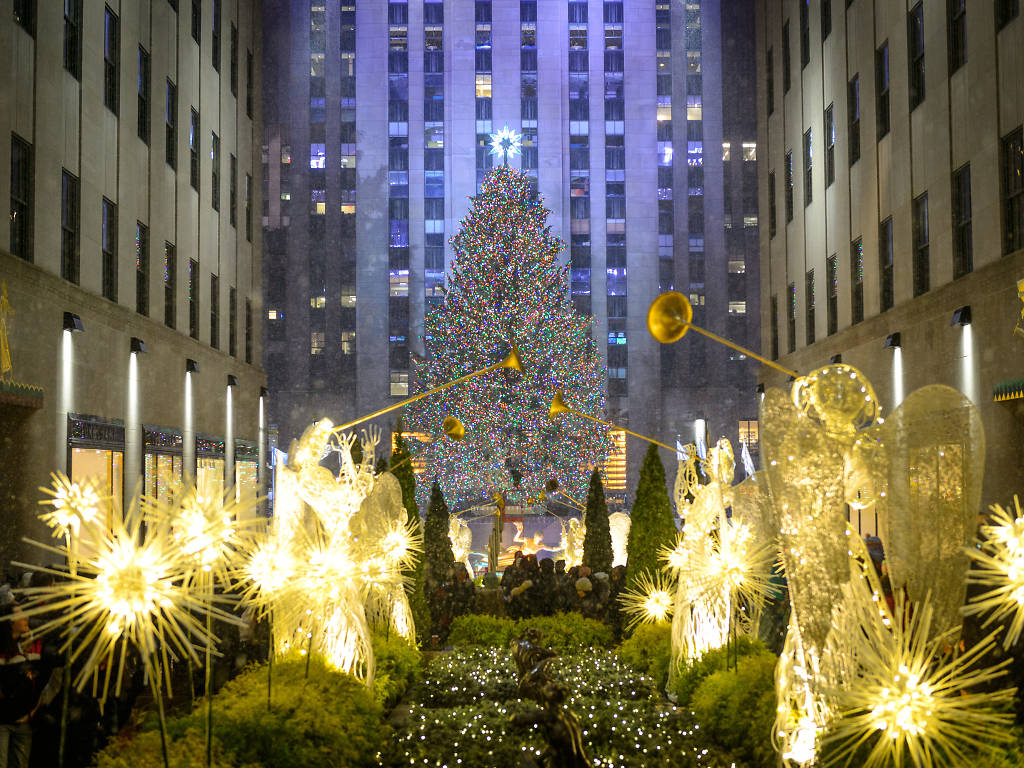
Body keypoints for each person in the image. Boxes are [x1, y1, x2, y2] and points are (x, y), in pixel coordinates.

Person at [0, 603, 61, 768]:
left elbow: (45, 675)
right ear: (10, 622)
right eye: (21, 615)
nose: (26, 618)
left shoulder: (33, 645)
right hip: (2, 721)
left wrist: (40, 701)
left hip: (25, 720)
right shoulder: (3, 648)